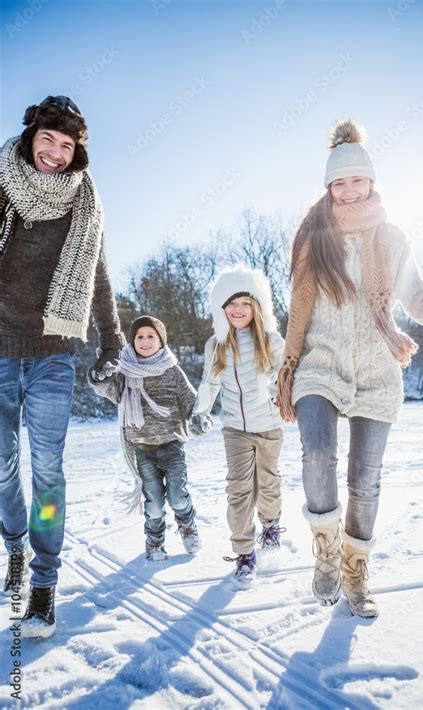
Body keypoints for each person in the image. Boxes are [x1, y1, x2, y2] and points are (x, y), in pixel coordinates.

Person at [277, 118, 423, 618]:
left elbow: (420, 302)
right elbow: (298, 309)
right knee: (318, 454)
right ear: (328, 187)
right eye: (338, 182)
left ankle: (354, 569)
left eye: (356, 180)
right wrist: (290, 364)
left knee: (365, 480)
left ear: (371, 181)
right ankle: (325, 549)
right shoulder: (313, 238)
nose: (348, 190)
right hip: (320, 365)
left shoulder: (392, 238)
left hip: (377, 373)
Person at [0, 96, 125, 638]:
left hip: (53, 354)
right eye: (47, 140)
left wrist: (112, 336)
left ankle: (45, 582)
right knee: (2, 465)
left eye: (66, 145)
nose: (54, 152)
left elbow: (97, 275)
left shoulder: (86, 205)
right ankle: (15, 550)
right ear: (31, 138)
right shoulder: (1, 186)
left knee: (47, 470)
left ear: (77, 152)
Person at [191, 265, 285, 588]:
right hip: (234, 428)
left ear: (256, 307)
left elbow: (285, 375)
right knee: (239, 489)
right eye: (231, 304)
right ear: (222, 309)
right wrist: (200, 412)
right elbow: (209, 383)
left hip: (269, 425)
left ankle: (271, 525)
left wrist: (281, 393)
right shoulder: (216, 345)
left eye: (245, 303)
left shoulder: (271, 341)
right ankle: (245, 554)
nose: (238, 310)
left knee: (269, 485)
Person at [90, 315, 201, 561]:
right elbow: (107, 388)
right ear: (132, 341)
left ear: (161, 341)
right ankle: (155, 541)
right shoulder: (124, 371)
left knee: (178, 496)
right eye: (140, 336)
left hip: (172, 444)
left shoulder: (172, 370)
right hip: (141, 448)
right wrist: (101, 376)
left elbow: (190, 400)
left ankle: (187, 525)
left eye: (151, 336)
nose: (145, 340)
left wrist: (198, 418)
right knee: (153, 502)